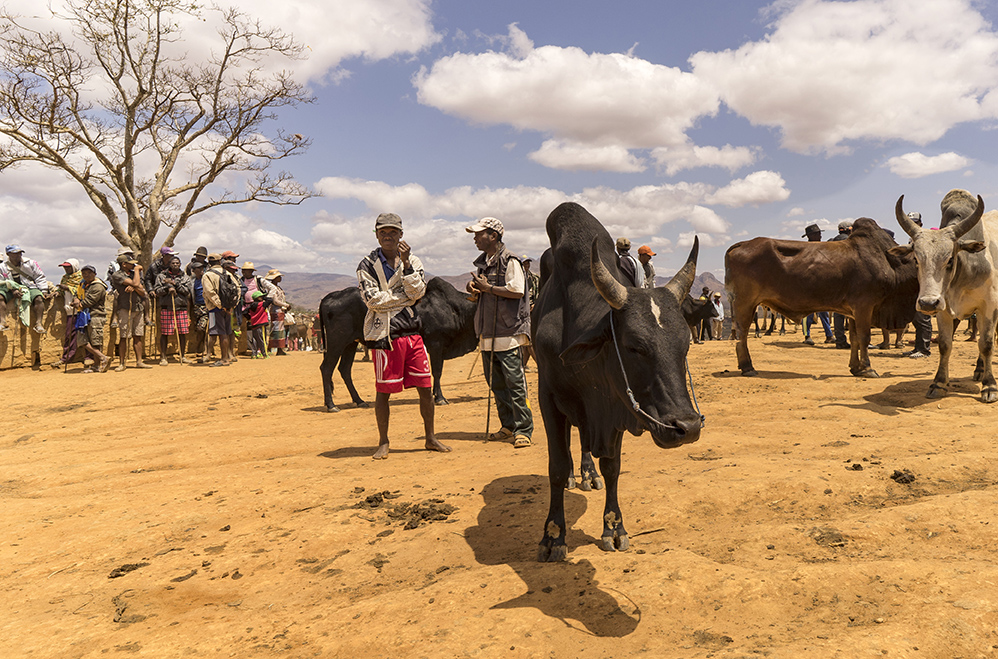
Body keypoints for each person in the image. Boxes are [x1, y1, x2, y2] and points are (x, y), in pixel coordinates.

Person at [357, 212, 449, 459]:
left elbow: (419, 292)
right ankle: (384, 441)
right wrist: (404, 297)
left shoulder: (413, 261)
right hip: (385, 335)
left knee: (426, 388)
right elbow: (372, 300)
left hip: (412, 334)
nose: (388, 236)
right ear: (376, 235)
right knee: (383, 391)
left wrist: (406, 265)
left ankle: (430, 438)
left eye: (393, 232)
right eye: (383, 232)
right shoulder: (366, 264)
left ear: (401, 235)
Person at [466, 216, 533, 449]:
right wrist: (474, 288)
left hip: (509, 333)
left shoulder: (510, 260)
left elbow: (516, 290)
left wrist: (488, 288)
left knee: (515, 384)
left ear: (493, 236)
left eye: (479, 234)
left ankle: (524, 429)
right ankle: (508, 426)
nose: (475, 238)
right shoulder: (483, 263)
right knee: (496, 384)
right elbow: (481, 292)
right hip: (488, 333)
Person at [110, 258, 150, 371]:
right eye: (131, 264)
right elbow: (137, 283)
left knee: (138, 335)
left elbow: (142, 291)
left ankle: (139, 361)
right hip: (125, 308)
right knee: (124, 336)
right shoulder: (117, 275)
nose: (134, 266)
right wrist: (137, 271)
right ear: (123, 264)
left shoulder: (132, 274)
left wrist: (134, 287)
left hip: (137, 308)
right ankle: (122, 363)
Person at [901, 211, 932, 359]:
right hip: (914, 282)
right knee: (916, 318)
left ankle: (924, 349)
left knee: (922, 317)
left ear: (921, 224)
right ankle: (917, 348)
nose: (912, 225)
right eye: (910, 222)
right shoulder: (912, 239)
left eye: (915, 222)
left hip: (923, 283)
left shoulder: (924, 239)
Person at [0, 245, 50, 334]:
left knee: (38, 298)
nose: (18, 256)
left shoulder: (30, 263)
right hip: (11, 288)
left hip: (29, 286)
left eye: (20, 253)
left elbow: (39, 276)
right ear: (8, 254)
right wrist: (13, 290)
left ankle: (38, 324)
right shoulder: (2, 267)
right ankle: (2, 321)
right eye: (15, 254)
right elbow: (2, 281)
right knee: (0, 297)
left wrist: (44, 290)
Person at [153, 255, 194, 365]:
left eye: (177, 263)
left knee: (182, 333)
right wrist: (167, 288)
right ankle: (163, 357)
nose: (175, 265)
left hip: (181, 308)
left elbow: (187, 291)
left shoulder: (185, 277)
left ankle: (182, 355)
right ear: (169, 265)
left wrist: (175, 284)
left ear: (180, 264)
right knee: (165, 333)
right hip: (167, 307)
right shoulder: (161, 276)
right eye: (173, 263)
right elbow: (157, 290)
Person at [73, 264, 111, 373]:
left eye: (89, 273)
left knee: (95, 341)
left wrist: (78, 304)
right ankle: (102, 358)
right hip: (84, 315)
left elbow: (89, 302)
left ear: (94, 274)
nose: (86, 275)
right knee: (82, 340)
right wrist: (76, 300)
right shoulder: (82, 284)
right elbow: (77, 294)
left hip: (95, 315)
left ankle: (98, 364)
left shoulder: (98, 286)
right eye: (84, 273)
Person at [202, 253, 235, 366]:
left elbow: (209, 292)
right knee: (226, 331)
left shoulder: (207, 275)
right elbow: (237, 289)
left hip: (215, 309)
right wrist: (230, 306)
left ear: (209, 263)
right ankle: (227, 357)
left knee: (221, 333)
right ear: (220, 261)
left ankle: (224, 359)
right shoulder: (228, 273)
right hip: (228, 308)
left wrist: (220, 305)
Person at [801, 224, 832, 345]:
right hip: (808, 284)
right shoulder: (805, 248)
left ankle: (829, 335)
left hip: (821, 283)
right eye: (817, 233)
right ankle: (807, 336)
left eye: (820, 233)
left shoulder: (823, 247)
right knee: (807, 312)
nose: (820, 235)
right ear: (810, 236)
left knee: (824, 311)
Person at [829, 220, 852, 349]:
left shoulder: (831, 242)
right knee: (855, 312)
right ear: (849, 229)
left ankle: (840, 340)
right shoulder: (850, 243)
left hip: (833, 281)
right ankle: (859, 340)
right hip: (847, 281)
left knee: (838, 313)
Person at [264, 269, 291, 356]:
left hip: (279, 310)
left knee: (278, 330)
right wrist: (286, 305)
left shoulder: (276, 287)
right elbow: (275, 301)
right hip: (276, 310)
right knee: (276, 330)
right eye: (278, 277)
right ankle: (276, 349)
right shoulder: (273, 288)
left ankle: (277, 348)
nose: (280, 278)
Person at [188, 261, 209, 359]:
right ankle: (200, 348)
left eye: (202, 268)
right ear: (193, 271)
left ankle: (203, 349)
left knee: (202, 327)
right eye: (198, 268)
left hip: (207, 307)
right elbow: (189, 297)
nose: (201, 270)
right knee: (199, 329)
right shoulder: (191, 282)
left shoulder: (207, 279)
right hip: (197, 307)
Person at [245, 291, 270, 358]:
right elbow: (270, 300)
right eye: (261, 297)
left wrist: (249, 318)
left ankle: (254, 354)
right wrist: (264, 297)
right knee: (262, 339)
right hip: (261, 324)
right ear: (258, 298)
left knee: (255, 339)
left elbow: (244, 312)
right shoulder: (262, 304)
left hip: (254, 324)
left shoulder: (251, 306)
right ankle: (265, 354)